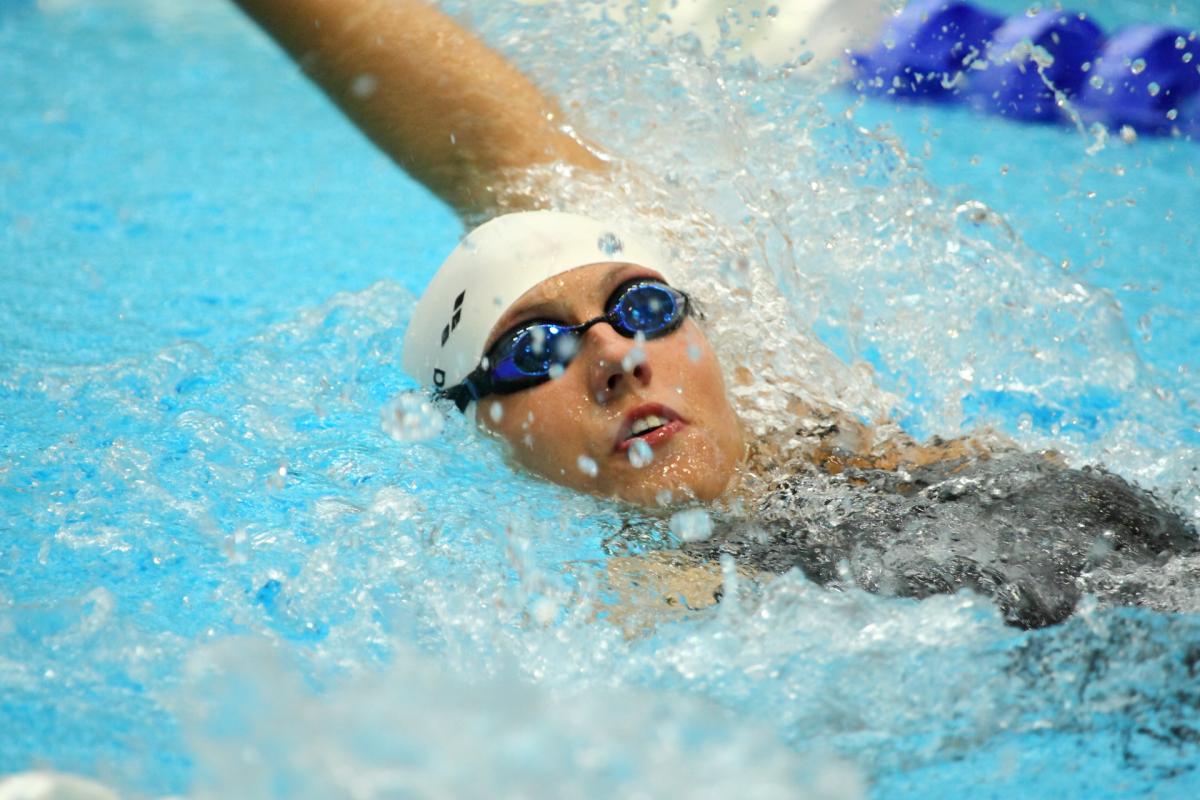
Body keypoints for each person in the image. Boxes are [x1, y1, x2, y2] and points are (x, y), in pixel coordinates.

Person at [230, 0, 1196, 628]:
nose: (615, 354)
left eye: (644, 306)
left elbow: (498, 145)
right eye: (534, 351)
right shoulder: (600, 631)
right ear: (480, 429)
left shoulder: (803, 419)